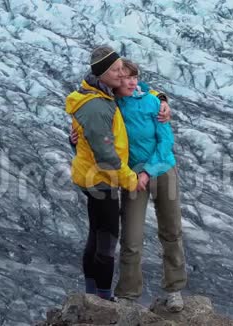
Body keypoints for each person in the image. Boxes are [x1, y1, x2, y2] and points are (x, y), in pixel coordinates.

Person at [113, 59, 187, 312]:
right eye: (125, 77)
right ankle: (127, 294)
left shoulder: (153, 101)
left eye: (135, 77)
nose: (132, 82)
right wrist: (73, 138)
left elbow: (165, 140)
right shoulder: (111, 106)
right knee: (131, 237)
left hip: (163, 169)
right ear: (114, 80)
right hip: (132, 175)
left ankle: (174, 290)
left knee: (171, 230)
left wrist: (148, 170)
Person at [65, 45, 138, 300]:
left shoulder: (100, 94)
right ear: (102, 73)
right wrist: (131, 180)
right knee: (106, 239)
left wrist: (162, 100)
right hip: (101, 179)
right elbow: (105, 154)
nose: (121, 74)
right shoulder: (96, 106)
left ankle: (91, 294)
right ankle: (103, 300)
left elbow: (86, 138)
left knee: (96, 233)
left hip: (91, 175)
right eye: (116, 70)